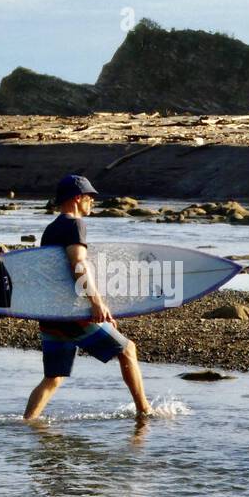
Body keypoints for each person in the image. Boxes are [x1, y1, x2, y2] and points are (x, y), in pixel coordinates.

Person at [23, 174, 153, 421]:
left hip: (51, 312)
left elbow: (47, 273)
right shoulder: (75, 225)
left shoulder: (51, 229)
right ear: (77, 198)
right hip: (71, 311)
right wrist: (96, 302)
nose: (92, 202)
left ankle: (27, 424)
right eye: (89, 198)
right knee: (127, 350)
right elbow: (78, 264)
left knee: (54, 378)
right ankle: (144, 412)